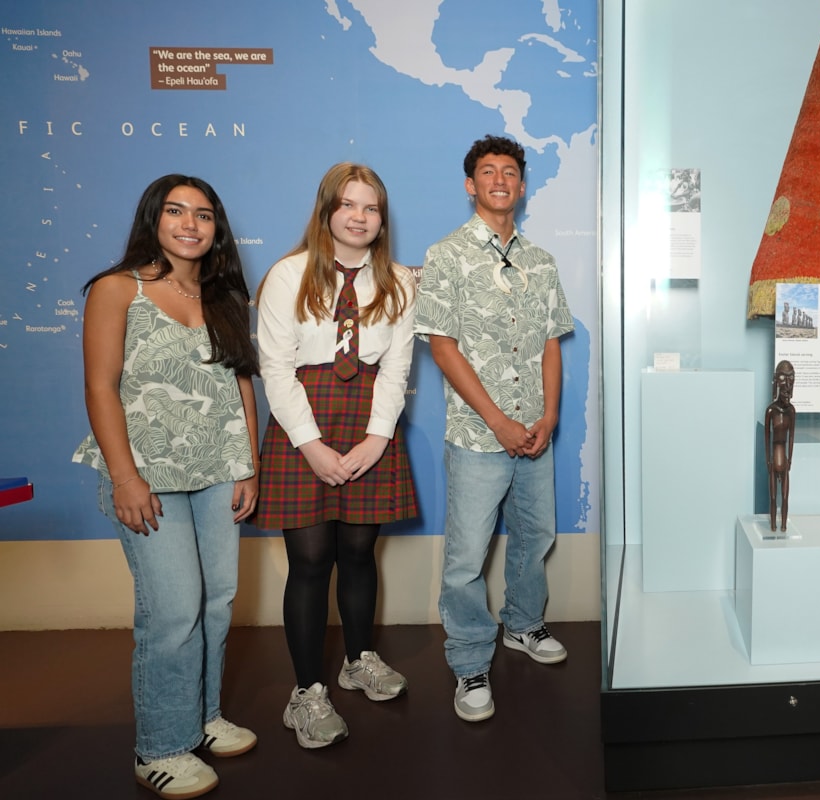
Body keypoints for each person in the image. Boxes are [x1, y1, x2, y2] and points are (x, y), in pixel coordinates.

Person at [72, 175, 260, 799]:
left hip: (216, 473)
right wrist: (125, 477)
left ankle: (201, 719)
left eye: (204, 215)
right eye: (176, 211)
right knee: (173, 610)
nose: (190, 224)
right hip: (147, 476)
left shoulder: (221, 294)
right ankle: (159, 747)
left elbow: (240, 386)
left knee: (216, 601)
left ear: (216, 228)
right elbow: (101, 388)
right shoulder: (116, 289)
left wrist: (249, 463)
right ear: (154, 218)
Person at [254, 163, 418, 749]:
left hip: (368, 414)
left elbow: (397, 367)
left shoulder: (399, 281)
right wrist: (310, 443)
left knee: (358, 549)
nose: (359, 216)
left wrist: (377, 438)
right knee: (311, 558)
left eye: (370, 208)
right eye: (347, 205)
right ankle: (306, 693)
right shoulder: (287, 275)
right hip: (307, 415)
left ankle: (358, 659)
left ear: (381, 219)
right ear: (327, 212)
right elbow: (275, 367)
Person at [415, 134, 575, 722]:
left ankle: (524, 626)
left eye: (510, 171)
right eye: (488, 171)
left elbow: (551, 344)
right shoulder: (446, 255)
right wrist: (498, 421)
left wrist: (549, 416)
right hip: (480, 436)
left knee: (536, 538)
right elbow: (442, 346)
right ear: (471, 184)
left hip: (536, 432)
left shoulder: (541, 262)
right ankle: (470, 661)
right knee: (465, 559)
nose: (500, 179)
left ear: (522, 185)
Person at [764, 360, 796, 532]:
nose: (787, 389)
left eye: (791, 379)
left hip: (783, 458)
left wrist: (790, 459)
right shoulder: (771, 411)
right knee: (773, 497)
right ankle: (773, 526)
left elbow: (791, 438)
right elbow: (767, 438)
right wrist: (768, 461)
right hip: (774, 457)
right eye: (784, 379)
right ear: (777, 382)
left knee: (784, 497)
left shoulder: (791, 411)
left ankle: (783, 526)